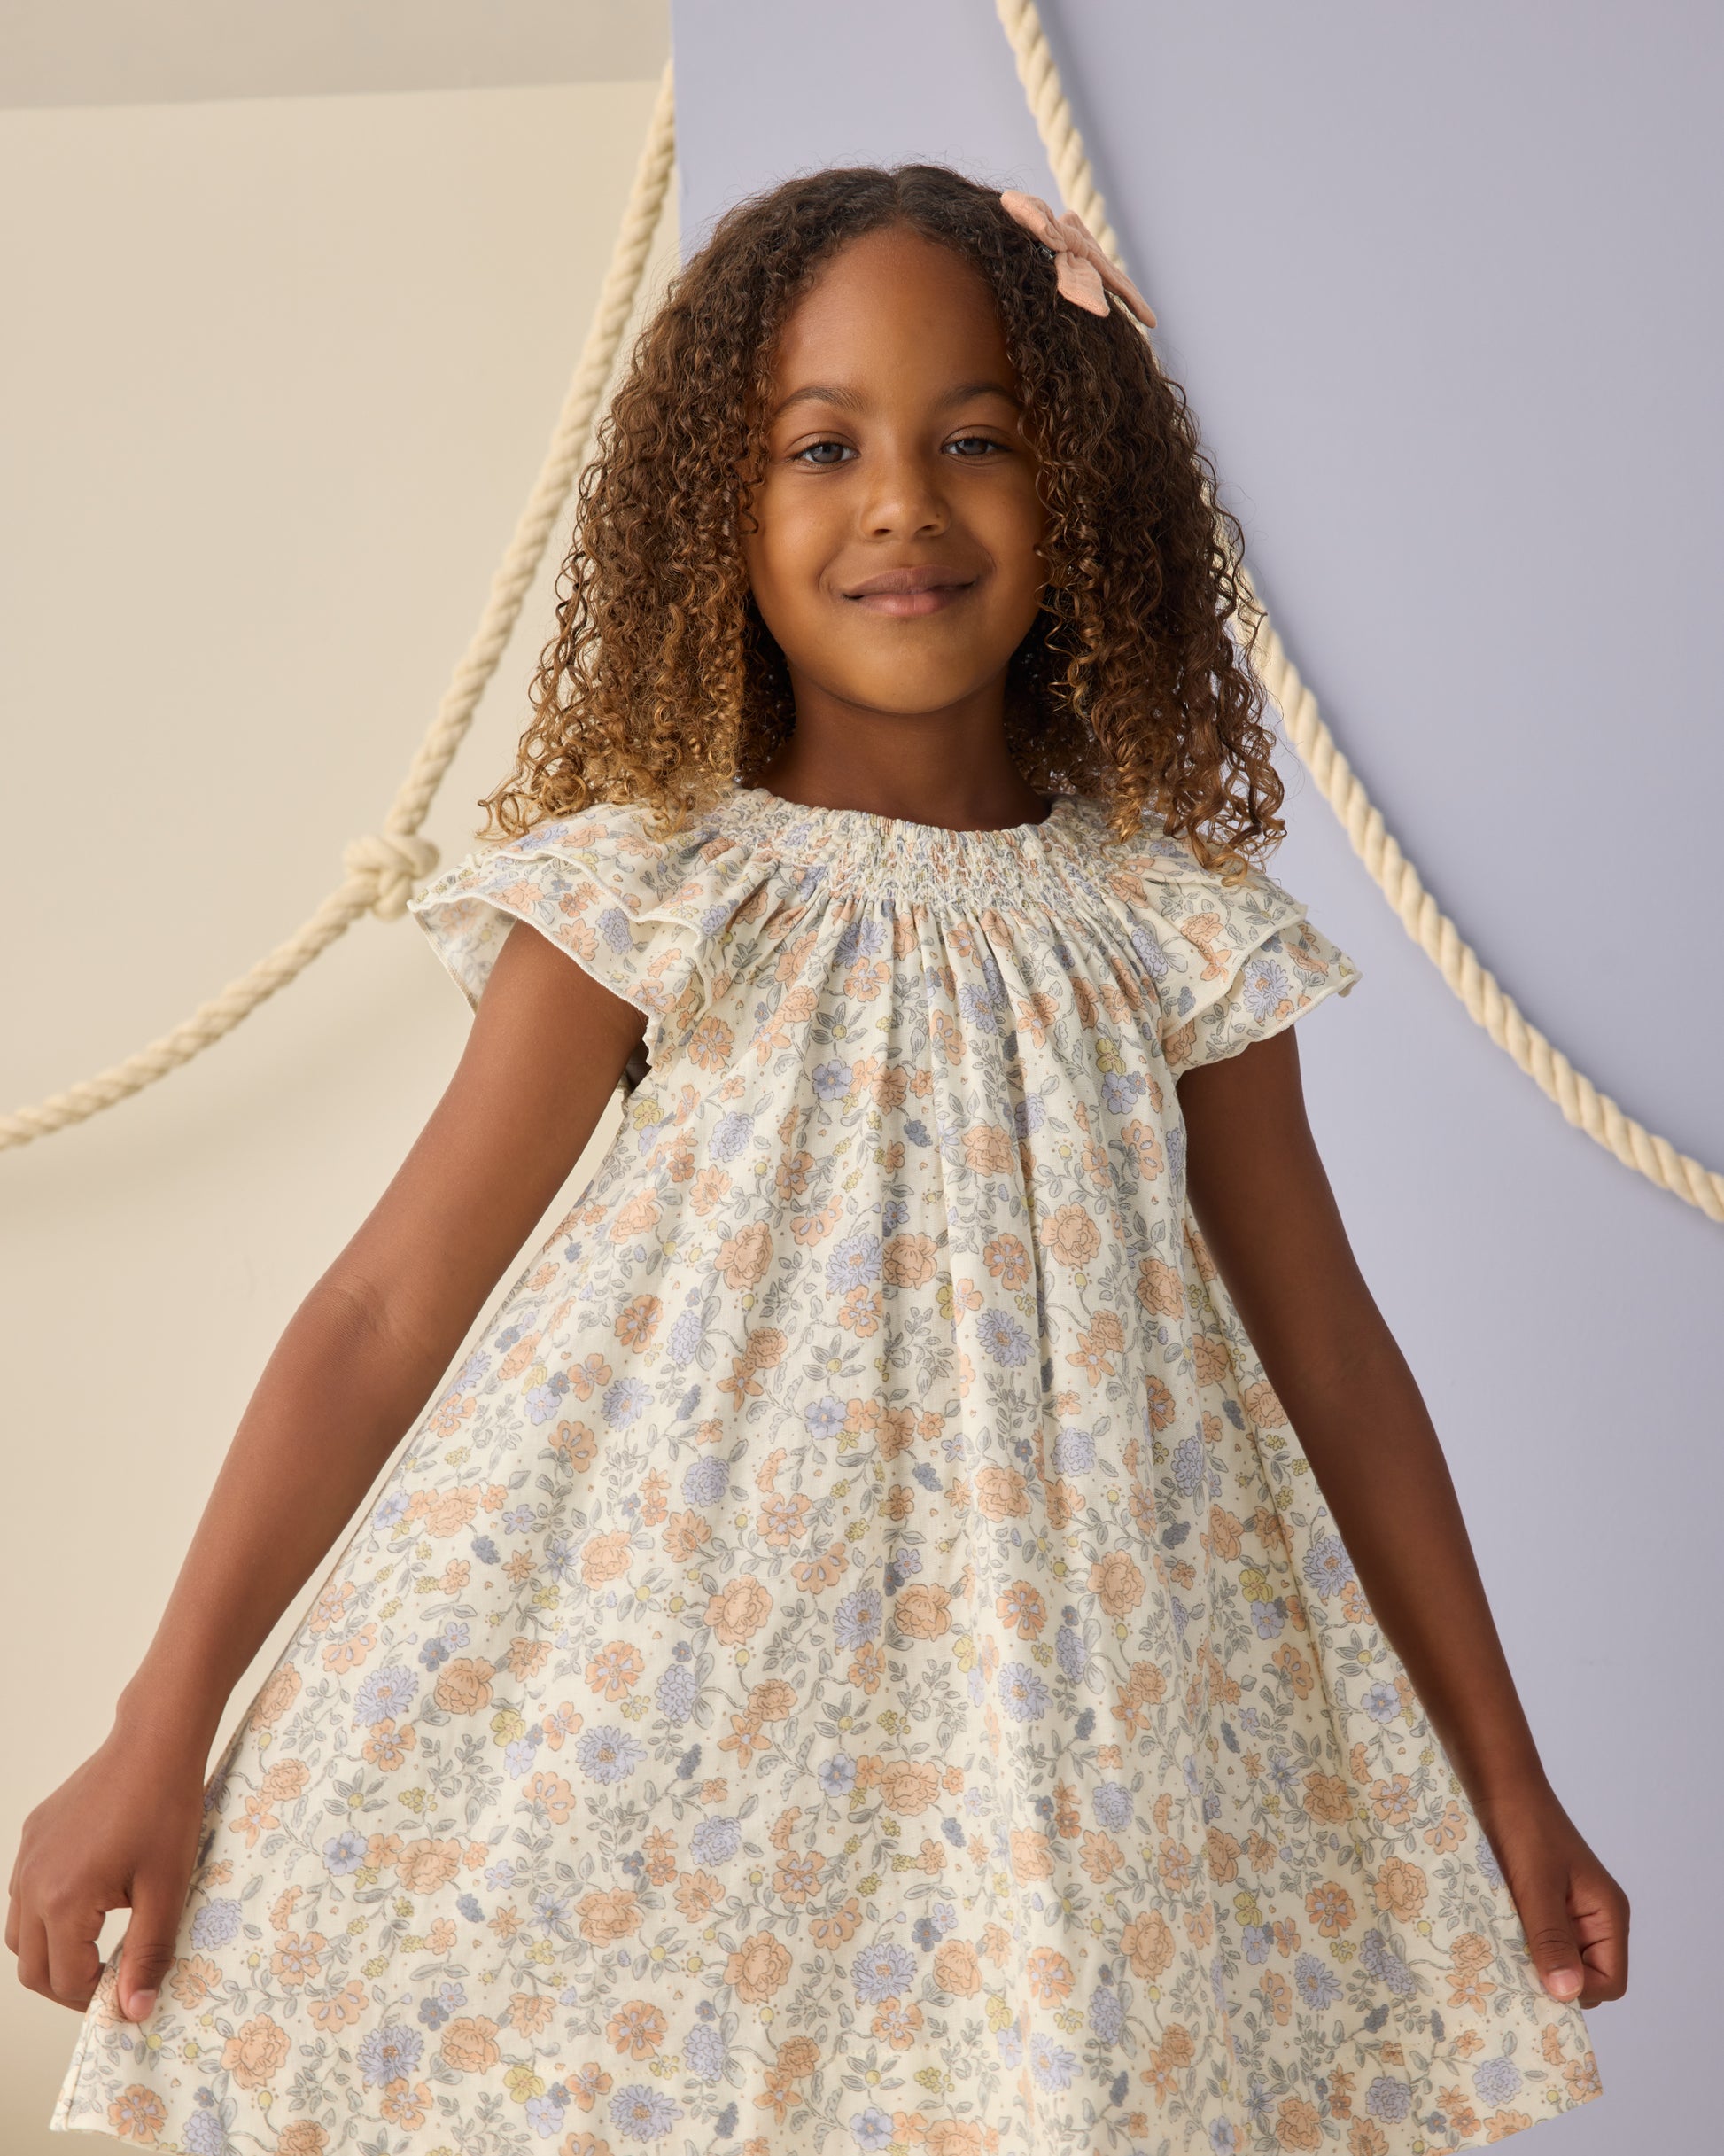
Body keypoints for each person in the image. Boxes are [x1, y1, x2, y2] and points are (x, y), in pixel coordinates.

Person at [15, 165, 1625, 2155]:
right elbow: (381, 1308)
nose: (902, 505)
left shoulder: (1169, 924)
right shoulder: (654, 886)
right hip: (664, 1728)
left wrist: (1509, 1781)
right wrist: (156, 1723)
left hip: (1060, 1745)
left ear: (1084, 492)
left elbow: (1338, 1361)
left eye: (978, 439)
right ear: (717, 505)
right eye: (821, 447)